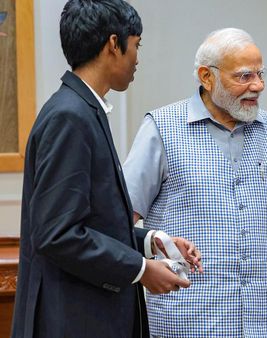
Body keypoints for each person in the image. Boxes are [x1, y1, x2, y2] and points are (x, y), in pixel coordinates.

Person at [123, 27, 267, 337]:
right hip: (188, 320)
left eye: (260, 74)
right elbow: (124, 220)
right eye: (244, 76)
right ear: (206, 76)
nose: (258, 85)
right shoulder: (161, 128)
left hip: (261, 321)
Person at [11, 1, 200, 337]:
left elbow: (92, 221)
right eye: (136, 45)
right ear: (114, 44)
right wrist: (142, 270)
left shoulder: (83, 109)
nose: (138, 58)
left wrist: (150, 241)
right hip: (73, 321)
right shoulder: (70, 116)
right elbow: (59, 234)